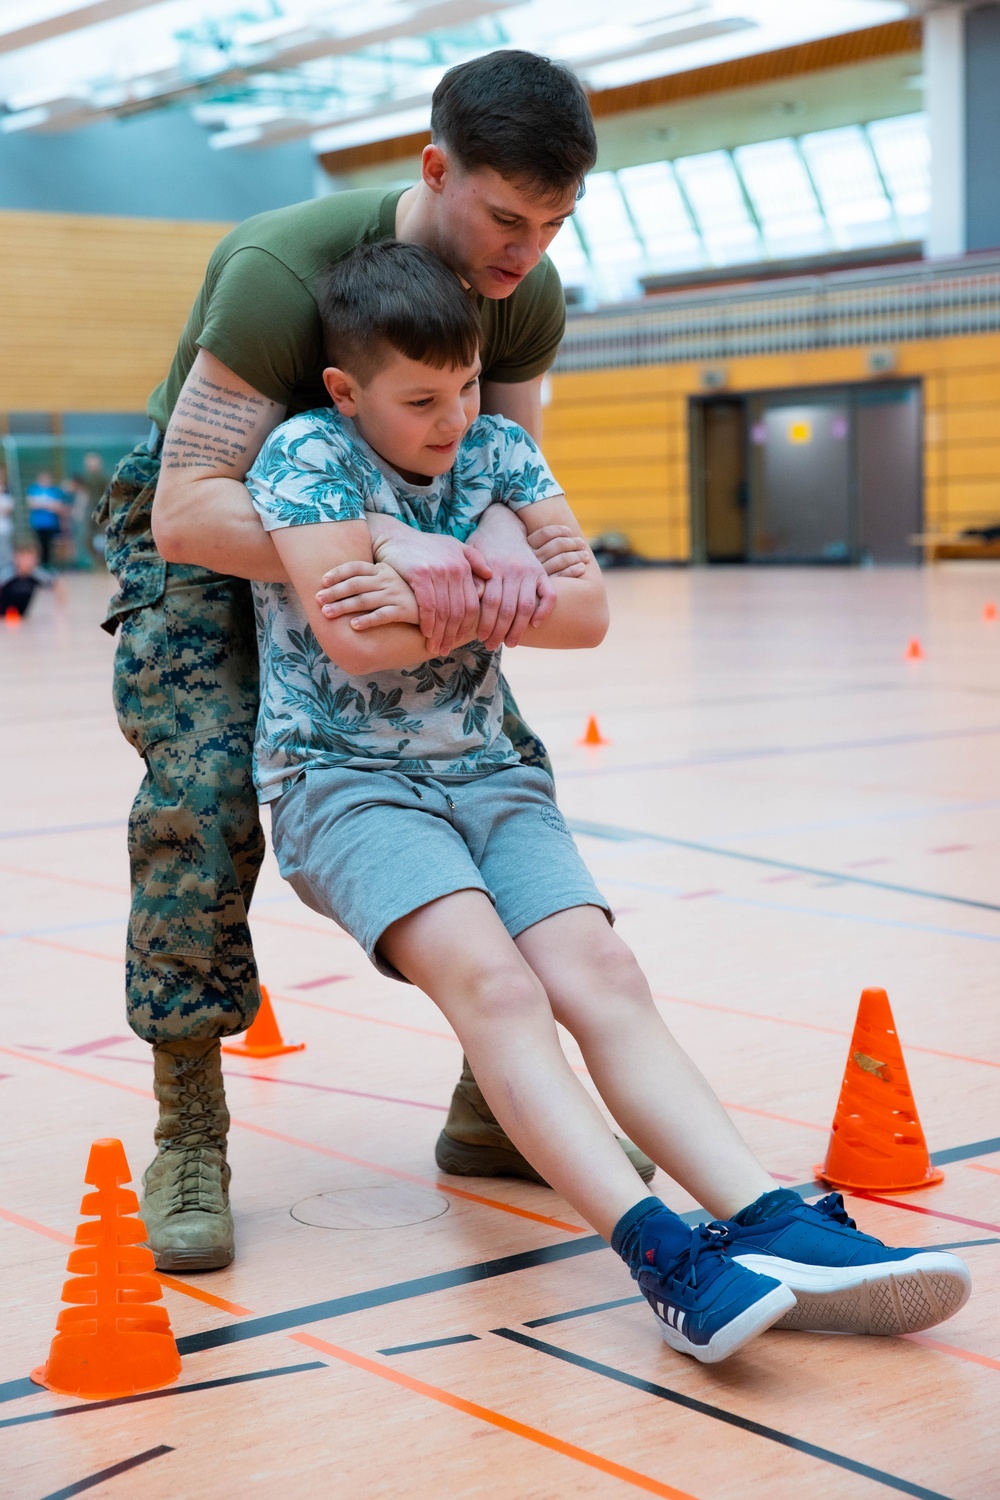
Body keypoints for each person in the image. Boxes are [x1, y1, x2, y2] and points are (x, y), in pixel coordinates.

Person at [245, 239, 970, 1363]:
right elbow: (351, 640)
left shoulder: (495, 449)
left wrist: (437, 572)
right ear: (347, 392)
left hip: (492, 769)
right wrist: (492, 566)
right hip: (345, 782)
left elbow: (586, 617)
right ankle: (661, 1256)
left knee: (602, 972)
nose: (453, 422)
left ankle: (768, 1221)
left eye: (470, 388)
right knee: (495, 984)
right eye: (421, 399)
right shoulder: (304, 455)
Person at [107, 49, 652, 1274]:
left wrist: (480, 542)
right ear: (432, 168)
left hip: (402, 543)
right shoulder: (277, 272)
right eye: (505, 217)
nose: (523, 252)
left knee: (483, 762)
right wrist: (382, 546)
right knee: (198, 800)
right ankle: (190, 1125)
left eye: (556, 223)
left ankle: (498, 1102)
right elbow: (186, 513)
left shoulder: (528, 290)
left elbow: (503, 475)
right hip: (216, 533)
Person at [25, 471, 68, 569]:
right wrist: (49, 505)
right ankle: (38, 564)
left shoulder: (55, 491)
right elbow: (32, 504)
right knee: (38, 544)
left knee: (49, 545)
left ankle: (47, 564)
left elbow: (58, 507)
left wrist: (41, 504)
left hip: (50, 523)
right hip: (37, 523)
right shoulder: (33, 489)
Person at [0, 544, 52, 618]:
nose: (27, 561)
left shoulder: (37, 574)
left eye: (30, 558)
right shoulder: (7, 574)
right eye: (23, 557)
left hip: (21, 614)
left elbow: (55, 584)